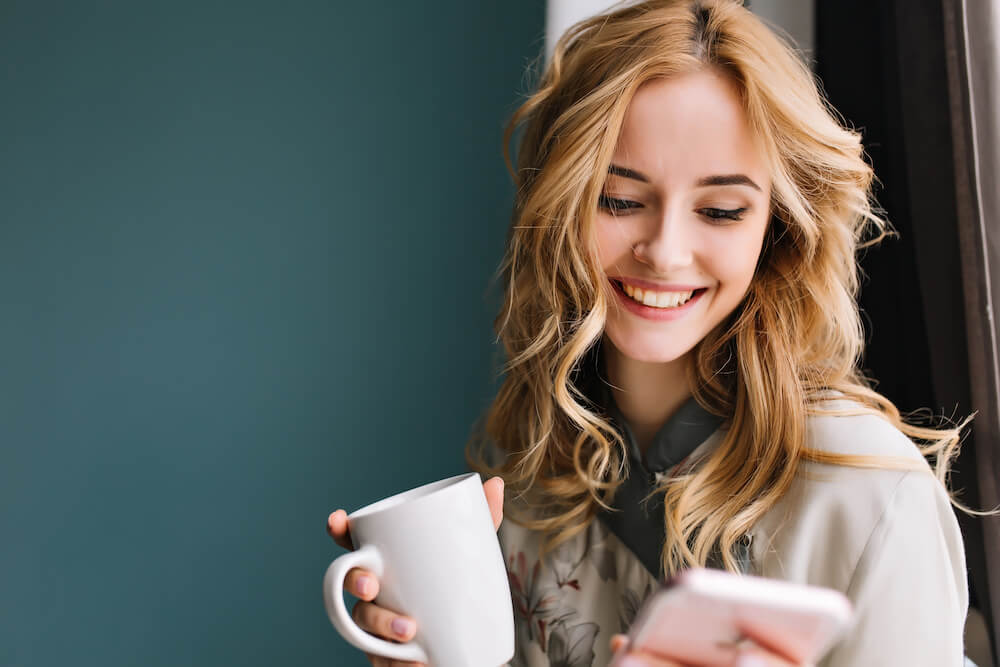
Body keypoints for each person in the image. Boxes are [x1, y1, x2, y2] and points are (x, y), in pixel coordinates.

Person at [327, 1, 974, 664]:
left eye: (720, 210)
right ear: (561, 202)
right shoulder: (536, 474)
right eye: (620, 200)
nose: (665, 252)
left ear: (777, 226)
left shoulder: (868, 495)